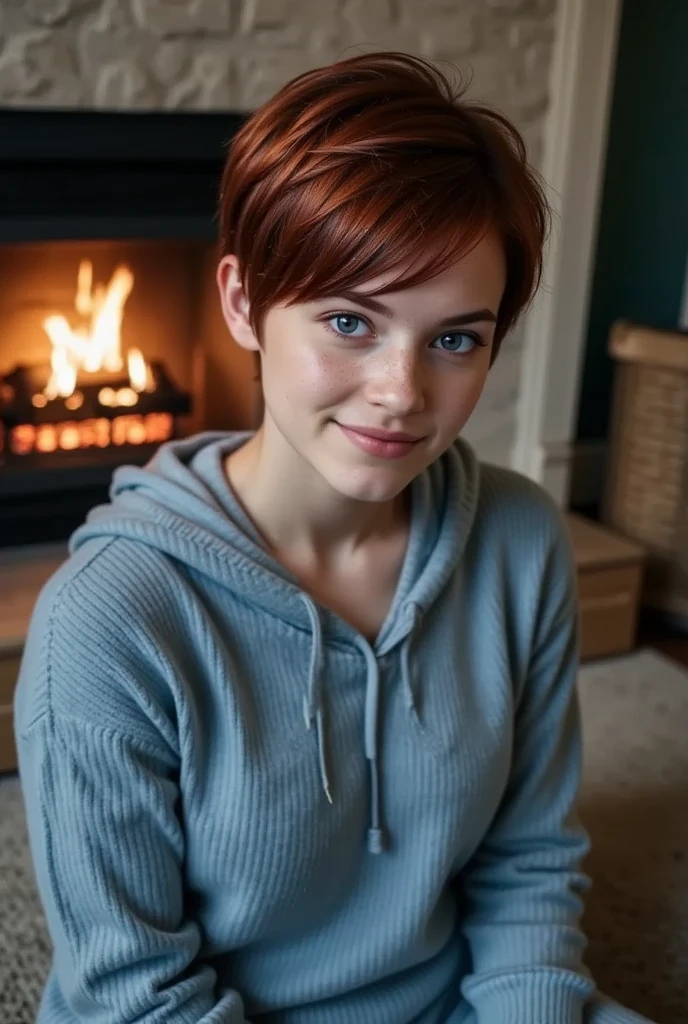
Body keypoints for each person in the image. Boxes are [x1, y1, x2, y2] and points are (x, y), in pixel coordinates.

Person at [14, 52, 651, 1024]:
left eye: (454, 339)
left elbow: (528, 861)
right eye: (350, 321)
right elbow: (134, 997)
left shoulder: (520, 540)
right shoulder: (109, 621)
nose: (401, 393)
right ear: (241, 303)